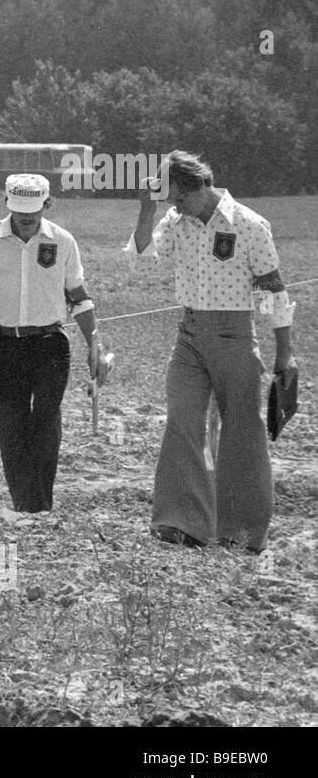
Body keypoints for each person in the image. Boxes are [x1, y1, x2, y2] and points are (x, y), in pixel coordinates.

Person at [126, 150, 298, 553]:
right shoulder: (174, 222)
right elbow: (140, 261)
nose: (175, 206)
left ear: (199, 186)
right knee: (182, 419)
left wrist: (284, 352)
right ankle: (180, 523)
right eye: (169, 200)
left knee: (242, 428)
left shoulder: (250, 225)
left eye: (178, 198)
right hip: (188, 335)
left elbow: (273, 288)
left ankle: (242, 532)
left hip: (235, 334)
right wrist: (146, 212)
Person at [0, 173, 104, 514]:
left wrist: (94, 343)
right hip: (6, 346)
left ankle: (40, 504)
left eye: (33, 210)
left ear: (47, 205)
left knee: (45, 422)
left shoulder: (62, 241)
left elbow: (78, 295)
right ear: (6, 203)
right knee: (10, 428)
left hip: (50, 344)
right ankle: (23, 502)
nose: (25, 217)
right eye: (19, 209)